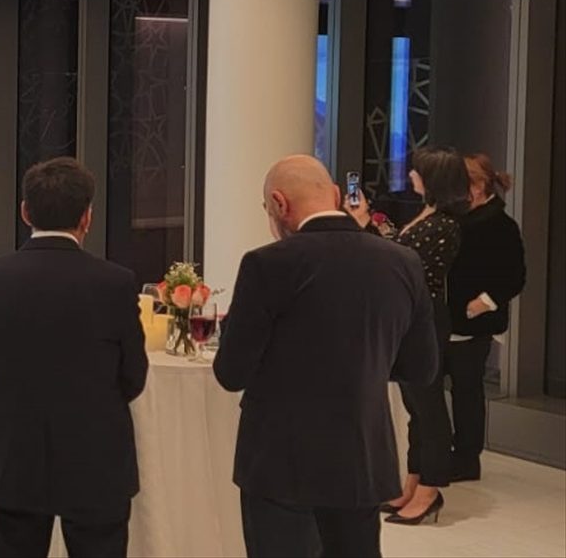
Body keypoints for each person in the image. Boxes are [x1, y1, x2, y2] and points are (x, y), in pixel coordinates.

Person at [215, 155, 439, 558]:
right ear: (336, 194)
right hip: (362, 455)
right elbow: (421, 368)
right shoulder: (402, 261)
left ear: (279, 203)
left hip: (281, 460)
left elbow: (231, 372)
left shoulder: (268, 264)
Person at [0, 157, 148, 558]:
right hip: (95, 453)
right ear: (87, 217)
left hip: (12, 452)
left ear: (25, 212)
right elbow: (133, 375)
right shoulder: (115, 283)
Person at [347, 146, 468, 525]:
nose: (411, 175)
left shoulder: (444, 224)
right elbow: (396, 252)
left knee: (428, 406)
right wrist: (367, 223)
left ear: (433, 179)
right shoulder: (427, 215)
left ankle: (431, 486)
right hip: (409, 317)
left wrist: (364, 223)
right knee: (416, 406)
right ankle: (414, 479)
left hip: (425, 319)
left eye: (418, 171)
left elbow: (399, 261)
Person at [445, 153, 526, 482]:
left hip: (472, 322)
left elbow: (514, 276)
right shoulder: (460, 218)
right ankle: (449, 452)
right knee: (453, 389)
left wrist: (482, 303)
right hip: (451, 318)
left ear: (477, 187)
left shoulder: (500, 225)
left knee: (466, 391)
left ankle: (466, 458)